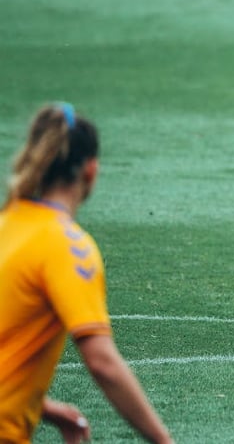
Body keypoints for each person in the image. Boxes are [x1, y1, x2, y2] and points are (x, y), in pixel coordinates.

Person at [0, 103, 173, 444]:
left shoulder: (7, 224)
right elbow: (102, 363)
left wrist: (43, 408)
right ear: (91, 171)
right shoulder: (68, 246)